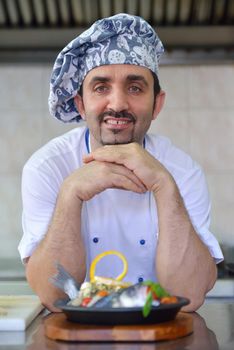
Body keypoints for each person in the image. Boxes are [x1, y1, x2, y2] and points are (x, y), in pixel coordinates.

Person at [18, 13, 223, 312]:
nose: (117, 104)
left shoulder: (182, 171)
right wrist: (70, 194)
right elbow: (54, 297)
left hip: (159, 336)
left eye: (135, 87)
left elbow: (189, 297)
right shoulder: (47, 167)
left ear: (157, 104)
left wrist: (164, 186)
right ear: (80, 103)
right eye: (101, 87)